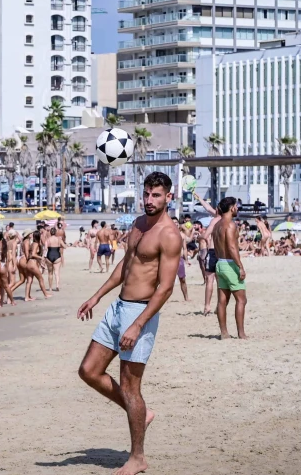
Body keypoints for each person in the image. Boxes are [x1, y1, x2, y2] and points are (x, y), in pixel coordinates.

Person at [77, 172, 181, 475]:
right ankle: (141, 412)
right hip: (118, 307)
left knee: (130, 386)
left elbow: (165, 288)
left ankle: (138, 457)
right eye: (147, 194)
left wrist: (137, 325)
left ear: (168, 198)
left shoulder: (169, 234)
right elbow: (127, 264)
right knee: (88, 371)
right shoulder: (137, 225)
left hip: (140, 314)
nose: (150, 200)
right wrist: (97, 296)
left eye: (156, 195)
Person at [212, 197, 248, 339]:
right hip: (229, 263)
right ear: (232, 208)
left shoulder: (217, 225)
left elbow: (216, 246)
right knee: (241, 300)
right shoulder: (230, 225)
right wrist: (240, 266)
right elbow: (232, 247)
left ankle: (224, 333)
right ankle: (241, 333)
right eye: (236, 206)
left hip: (220, 262)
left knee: (222, 301)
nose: (237, 209)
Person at [195, 192, 220, 315]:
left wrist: (200, 238)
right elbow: (208, 208)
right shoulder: (227, 220)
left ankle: (207, 306)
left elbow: (205, 235)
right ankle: (219, 306)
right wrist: (199, 198)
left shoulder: (215, 220)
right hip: (223, 253)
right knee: (221, 282)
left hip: (212, 251)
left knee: (209, 280)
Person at [44, 227, 67, 291]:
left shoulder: (48, 240)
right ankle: (57, 285)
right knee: (57, 272)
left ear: (50, 233)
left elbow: (45, 249)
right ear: (56, 232)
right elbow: (65, 247)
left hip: (49, 255)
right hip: (57, 255)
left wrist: (43, 258)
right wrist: (61, 245)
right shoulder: (59, 239)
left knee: (50, 273)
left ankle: (50, 288)